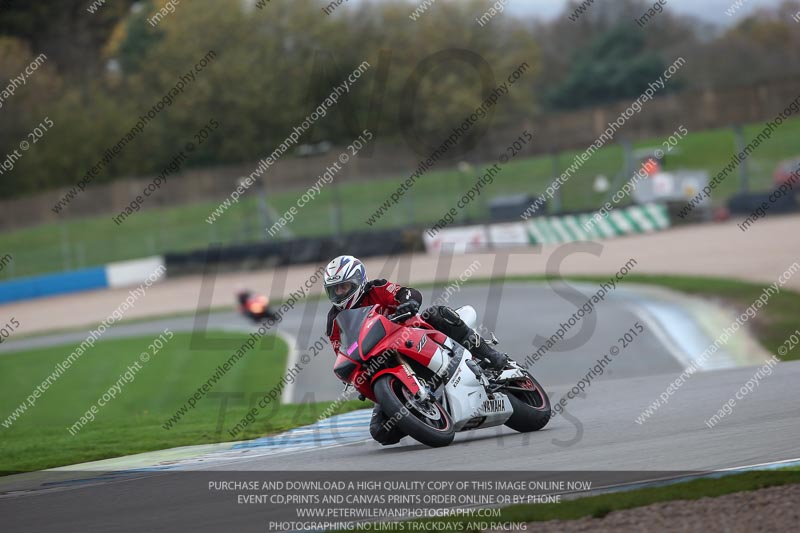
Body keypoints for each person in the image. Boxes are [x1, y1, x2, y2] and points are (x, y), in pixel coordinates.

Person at [322, 254, 508, 445]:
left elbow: (407, 292)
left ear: (358, 281)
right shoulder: (334, 322)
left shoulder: (376, 288)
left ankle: (490, 355)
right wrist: (353, 372)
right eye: (334, 289)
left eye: (343, 286)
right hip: (379, 363)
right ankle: (420, 416)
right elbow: (342, 351)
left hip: (407, 332)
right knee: (379, 431)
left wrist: (408, 303)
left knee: (436, 314)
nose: (339, 293)